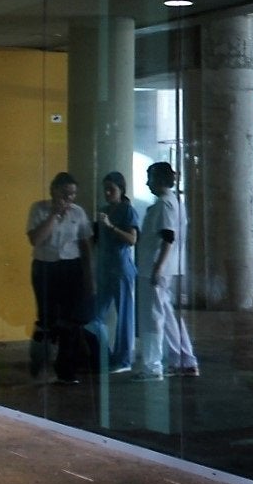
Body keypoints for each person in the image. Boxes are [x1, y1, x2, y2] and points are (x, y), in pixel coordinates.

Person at [26, 171, 92, 384]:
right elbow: (35, 239)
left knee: (70, 321)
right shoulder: (39, 209)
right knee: (46, 319)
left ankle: (67, 370)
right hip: (45, 267)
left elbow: (85, 245)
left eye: (72, 194)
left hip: (71, 267)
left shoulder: (78, 213)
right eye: (65, 193)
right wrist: (54, 215)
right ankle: (40, 368)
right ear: (54, 191)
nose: (69, 198)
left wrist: (88, 275)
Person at [133, 161, 196, 379]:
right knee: (167, 315)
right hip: (163, 268)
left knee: (153, 318)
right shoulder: (173, 202)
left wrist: (157, 268)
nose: (147, 183)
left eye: (150, 178)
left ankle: (152, 366)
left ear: (159, 180)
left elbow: (168, 237)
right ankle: (184, 360)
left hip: (155, 269)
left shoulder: (164, 204)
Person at [93, 170, 139, 375]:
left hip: (121, 269)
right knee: (93, 316)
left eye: (112, 189)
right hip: (105, 269)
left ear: (121, 190)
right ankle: (107, 355)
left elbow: (132, 239)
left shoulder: (127, 211)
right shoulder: (103, 210)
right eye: (106, 189)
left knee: (124, 317)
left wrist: (111, 227)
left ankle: (123, 359)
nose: (108, 193)